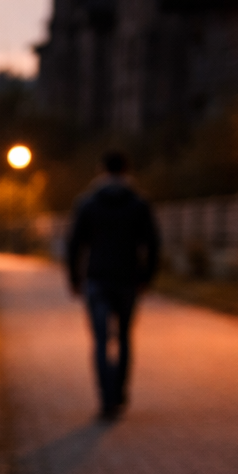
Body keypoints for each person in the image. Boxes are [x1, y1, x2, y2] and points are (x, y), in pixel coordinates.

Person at [65, 151, 160, 418]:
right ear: (127, 170)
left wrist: (74, 279)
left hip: (97, 279)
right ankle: (119, 393)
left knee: (100, 341)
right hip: (128, 279)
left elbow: (74, 244)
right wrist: (146, 277)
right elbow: (152, 244)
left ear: (101, 170)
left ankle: (106, 399)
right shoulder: (139, 204)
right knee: (126, 338)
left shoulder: (88, 203)